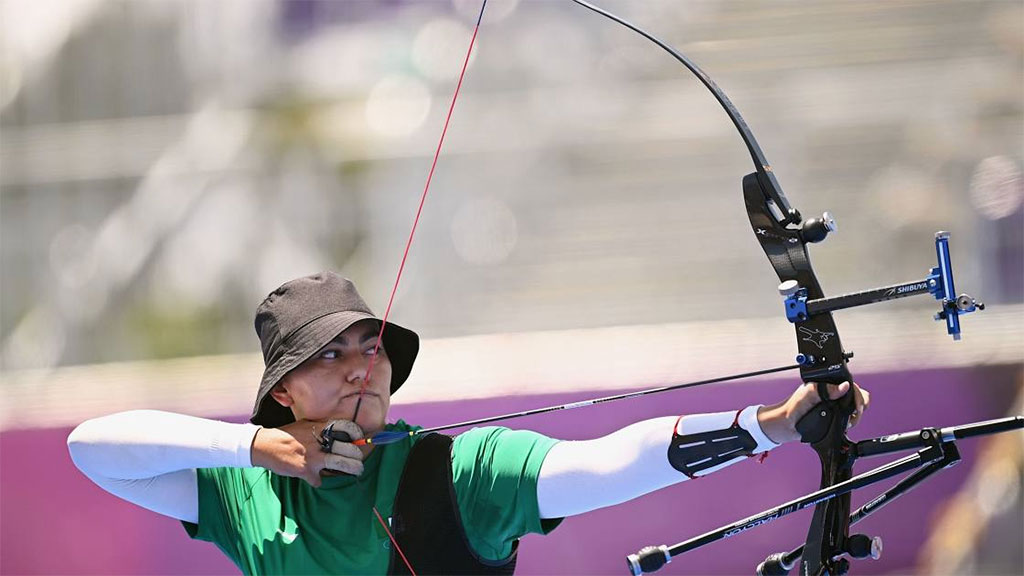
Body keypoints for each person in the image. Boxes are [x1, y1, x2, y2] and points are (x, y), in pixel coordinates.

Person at [68, 271, 870, 575]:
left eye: (368, 346)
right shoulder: (250, 502)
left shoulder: (456, 473)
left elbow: (607, 465)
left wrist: (770, 424)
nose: (360, 366)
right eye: (327, 356)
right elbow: (93, 451)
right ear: (283, 393)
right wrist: (251, 447)